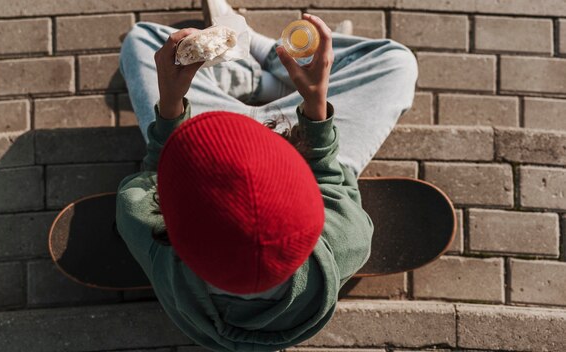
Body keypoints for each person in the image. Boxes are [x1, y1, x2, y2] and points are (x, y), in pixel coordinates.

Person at [115, 1, 418, 351]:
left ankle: (250, 73)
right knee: (397, 62)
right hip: (299, 132)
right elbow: (329, 180)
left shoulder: (145, 228)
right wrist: (316, 104)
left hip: (214, 126)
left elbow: (154, 173)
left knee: (143, 38)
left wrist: (171, 107)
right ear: (310, 215)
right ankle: (273, 58)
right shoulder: (348, 240)